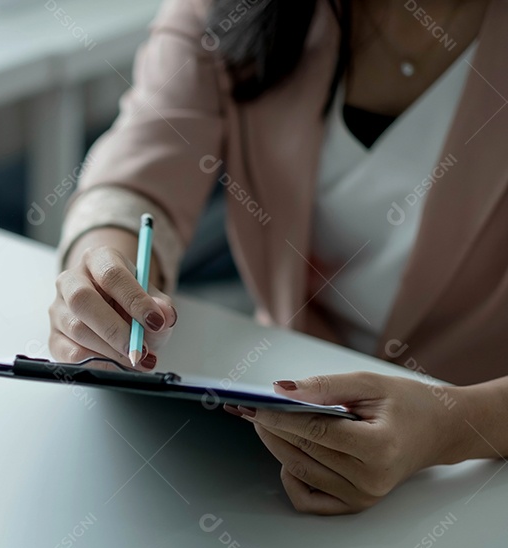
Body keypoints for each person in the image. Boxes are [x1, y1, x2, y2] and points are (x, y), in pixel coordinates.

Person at [50, 0, 508, 515]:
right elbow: (139, 170)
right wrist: (103, 268)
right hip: (268, 443)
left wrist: (454, 425)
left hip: (480, 477)